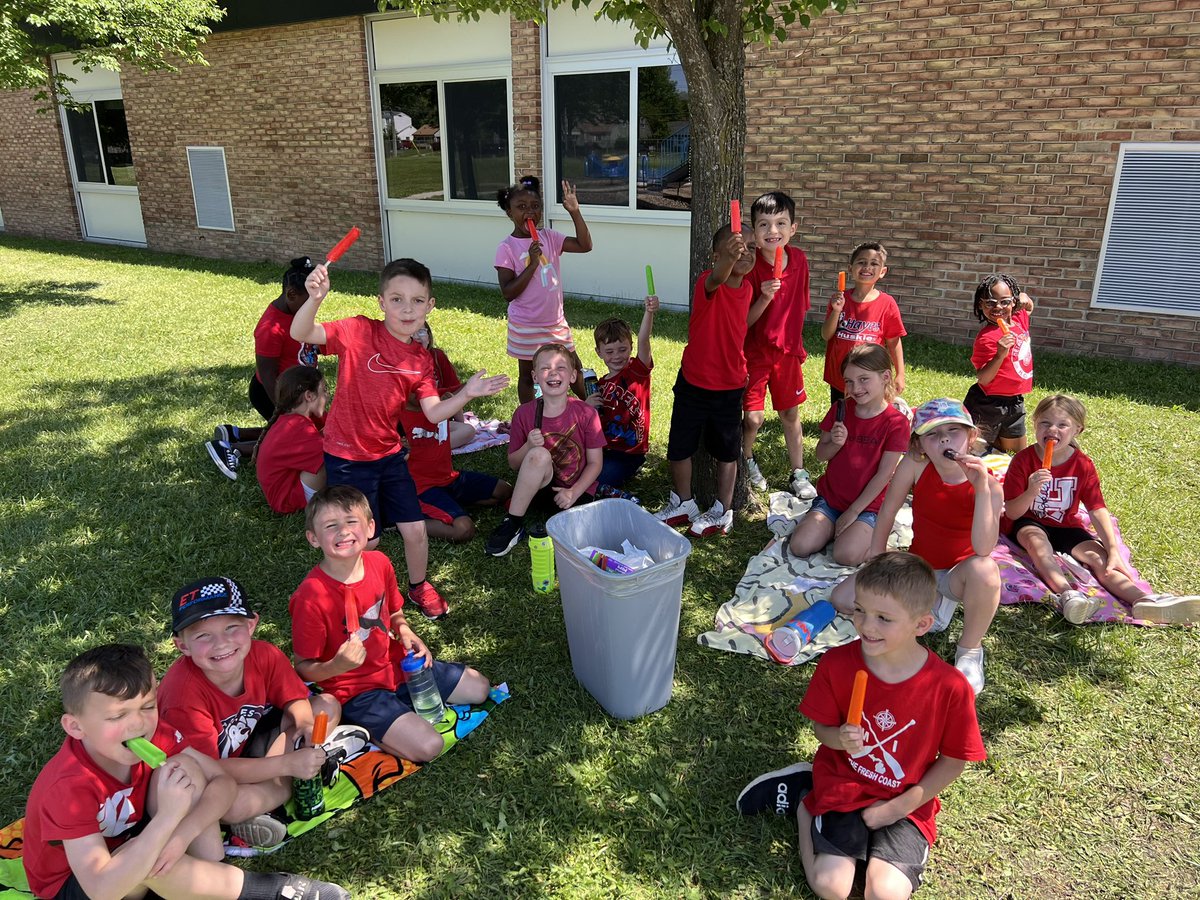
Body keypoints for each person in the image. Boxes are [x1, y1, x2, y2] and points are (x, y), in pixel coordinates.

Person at [737, 553, 986, 900]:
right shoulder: (837, 663)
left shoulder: (950, 687)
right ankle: (805, 801)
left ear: (922, 624)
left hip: (905, 797)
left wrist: (899, 807)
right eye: (859, 610)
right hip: (844, 782)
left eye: (884, 618)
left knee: (885, 894)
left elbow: (954, 761)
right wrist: (839, 739)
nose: (867, 626)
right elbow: (821, 730)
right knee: (832, 887)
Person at [23, 644, 348, 900]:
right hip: (81, 884)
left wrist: (182, 835)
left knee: (185, 769)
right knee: (142, 858)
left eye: (147, 707)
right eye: (117, 716)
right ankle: (271, 890)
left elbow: (221, 780)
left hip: (133, 838)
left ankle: (211, 873)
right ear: (75, 727)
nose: (138, 724)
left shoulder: (157, 735)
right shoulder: (68, 786)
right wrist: (168, 818)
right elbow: (100, 888)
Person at [291, 257, 509, 620]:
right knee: (368, 540)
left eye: (417, 300)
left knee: (415, 530)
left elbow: (434, 413)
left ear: (430, 305)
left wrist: (467, 393)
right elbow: (302, 332)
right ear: (381, 301)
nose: (407, 309)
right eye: (397, 299)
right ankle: (357, 598)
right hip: (347, 457)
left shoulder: (421, 360)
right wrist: (315, 298)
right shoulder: (358, 330)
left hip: (389, 456)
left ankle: (418, 586)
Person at [290, 486, 492, 763]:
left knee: (480, 689)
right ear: (313, 538)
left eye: (351, 521)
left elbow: (395, 611)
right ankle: (367, 729)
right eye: (330, 525)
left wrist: (405, 631)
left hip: (397, 666)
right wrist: (337, 666)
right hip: (355, 690)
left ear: (370, 527)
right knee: (429, 746)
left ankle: (399, 713)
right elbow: (303, 667)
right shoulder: (311, 596)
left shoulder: (380, 563)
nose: (343, 531)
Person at [157, 576, 359, 849]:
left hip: (256, 744)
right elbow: (208, 769)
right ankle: (288, 784)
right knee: (231, 807)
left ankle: (288, 779)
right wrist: (288, 766)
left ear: (251, 624)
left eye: (231, 628)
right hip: (216, 773)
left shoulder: (265, 655)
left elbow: (295, 698)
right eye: (203, 636)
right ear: (182, 646)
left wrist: (305, 726)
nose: (221, 643)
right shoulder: (182, 697)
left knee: (326, 706)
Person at [830, 399, 1003, 694]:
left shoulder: (990, 486)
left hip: (959, 576)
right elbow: (888, 511)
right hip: (919, 568)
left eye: (953, 431)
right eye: (932, 434)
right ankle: (926, 613)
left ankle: (970, 649)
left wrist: (982, 489)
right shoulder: (915, 465)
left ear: (971, 437)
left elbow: (983, 548)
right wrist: (877, 557)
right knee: (843, 599)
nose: (944, 440)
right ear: (919, 444)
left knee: (986, 569)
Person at [1003, 393, 1200, 625]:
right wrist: (1031, 491)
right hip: (1029, 521)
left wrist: (1113, 550)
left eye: (1062, 425)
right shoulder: (1023, 461)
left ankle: (1145, 601)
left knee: (1101, 560)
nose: (1052, 429)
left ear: (1077, 430)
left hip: (1066, 526)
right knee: (1038, 545)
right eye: (1045, 423)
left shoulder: (1083, 465)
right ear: (1035, 424)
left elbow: (1097, 509)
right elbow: (1012, 512)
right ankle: (1069, 596)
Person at [654, 224, 757, 538]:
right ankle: (684, 503)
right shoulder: (707, 283)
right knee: (679, 448)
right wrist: (728, 260)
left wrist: (765, 298)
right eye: (736, 247)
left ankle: (722, 510)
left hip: (730, 387)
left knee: (727, 452)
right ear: (716, 256)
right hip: (693, 382)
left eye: (751, 247)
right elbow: (718, 277)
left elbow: (742, 323)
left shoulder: (748, 289)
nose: (745, 252)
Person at [788, 345, 909, 567]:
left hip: (868, 506)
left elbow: (884, 474)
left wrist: (853, 512)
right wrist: (835, 444)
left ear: (885, 377)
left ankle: (876, 543)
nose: (856, 388)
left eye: (864, 379)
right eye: (849, 381)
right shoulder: (840, 409)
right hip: (832, 500)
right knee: (800, 546)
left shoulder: (896, 423)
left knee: (846, 555)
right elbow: (820, 454)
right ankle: (838, 531)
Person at [485, 343, 605, 556]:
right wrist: (528, 446)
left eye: (561, 368)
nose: (553, 373)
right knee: (538, 454)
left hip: (578, 493)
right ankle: (513, 522)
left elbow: (596, 463)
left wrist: (573, 492)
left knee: (584, 540)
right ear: (534, 376)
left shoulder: (586, 413)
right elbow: (514, 463)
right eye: (545, 368)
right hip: (539, 492)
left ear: (573, 376)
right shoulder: (524, 413)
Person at [206, 256, 319, 481]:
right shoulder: (271, 328)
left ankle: (234, 434)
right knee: (293, 436)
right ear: (291, 294)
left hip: (297, 392)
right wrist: (284, 408)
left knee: (308, 429)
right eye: (311, 302)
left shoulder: (298, 312)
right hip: (273, 391)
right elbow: (267, 374)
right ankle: (231, 449)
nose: (313, 308)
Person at [740, 191, 816, 499]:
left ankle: (798, 471)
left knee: (790, 414)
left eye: (781, 223)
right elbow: (744, 321)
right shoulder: (750, 266)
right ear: (755, 233)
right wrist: (765, 296)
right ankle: (746, 460)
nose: (773, 231)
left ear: (793, 228)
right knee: (753, 418)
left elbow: (801, 305)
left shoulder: (799, 260)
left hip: (787, 354)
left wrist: (794, 344)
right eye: (764, 225)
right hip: (755, 353)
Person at [399, 339, 513, 543]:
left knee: (504, 490)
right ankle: (399, 521)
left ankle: (449, 505)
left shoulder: (437, 400)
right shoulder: (394, 416)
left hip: (449, 478)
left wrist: (471, 389)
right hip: (420, 489)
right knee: (463, 529)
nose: (426, 387)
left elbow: (459, 393)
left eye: (428, 378)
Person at [495, 175, 593, 403]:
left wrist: (575, 212)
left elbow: (585, 245)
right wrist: (532, 264)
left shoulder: (549, 237)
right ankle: (529, 418)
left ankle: (593, 411)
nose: (530, 212)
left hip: (555, 323)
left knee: (574, 368)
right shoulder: (506, 248)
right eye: (521, 207)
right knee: (527, 376)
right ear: (509, 212)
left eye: (535, 206)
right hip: (525, 325)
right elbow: (508, 292)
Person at [821, 242, 907, 404]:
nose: (867, 267)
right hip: (841, 374)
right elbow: (826, 335)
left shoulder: (887, 303)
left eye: (874, 263)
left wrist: (900, 374)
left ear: (882, 272)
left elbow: (894, 341)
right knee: (841, 412)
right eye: (861, 262)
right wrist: (836, 310)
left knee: (868, 413)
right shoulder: (839, 299)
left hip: (871, 375)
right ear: (850, 268)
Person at [589, 294, 658, 490]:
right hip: (603, 449)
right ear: (599, 352)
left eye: (622, 349)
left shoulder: (637, 371)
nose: (617, 356)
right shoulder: (600, 384)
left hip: (630, 453)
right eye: (609, 351)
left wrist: (649, 312)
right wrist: (587, 406)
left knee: (598, 482)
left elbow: (644, 340)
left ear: (631, 347)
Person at [962, 273, 1035, 455]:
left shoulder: (1018, 319)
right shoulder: (986, 338)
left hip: (1015, 402)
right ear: (981, 304)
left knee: (1016, 455)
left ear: (1013, 302)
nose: (998, 307)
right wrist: (999, 355)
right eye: (990, 303)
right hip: (988, 404)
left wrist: (1024, 297)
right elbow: (983, 378)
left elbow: (1028, 306)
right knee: (974, 451)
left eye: (1004, 302)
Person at [253, 364, 328, 515]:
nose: (327, 395)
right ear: (309, 396)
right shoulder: (297, 428)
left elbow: (333, 424)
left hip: (287, 489)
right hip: (287, 501)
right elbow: (334, 453)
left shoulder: (294, 419)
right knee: (333, 457)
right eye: (324, 390)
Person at [413, 323, 477, 449]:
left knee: (467, 431)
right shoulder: (399, 363)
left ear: (429, 336)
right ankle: (420, 449)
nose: (416, 337)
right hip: (410, 419)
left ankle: (422, 449)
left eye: (421, 331)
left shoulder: (437, 356)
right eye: (410, 333)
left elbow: (455, 389)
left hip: (439, 417)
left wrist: (468, 388)